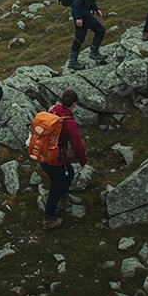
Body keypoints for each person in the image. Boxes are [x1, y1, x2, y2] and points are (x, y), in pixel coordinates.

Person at [40, 89, 88, 230]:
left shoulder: (54, 110)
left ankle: (63, 199)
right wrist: (83, 160)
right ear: (74, 104)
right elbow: (77, 145)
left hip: (43, 153)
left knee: (70, 172)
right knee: (55, 187)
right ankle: (48, 220)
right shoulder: (70, 123)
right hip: (55, 158)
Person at [69, 0, 107, 71]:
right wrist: (78, 17)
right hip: (83, 12)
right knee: (100, 30)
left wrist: (96, 9)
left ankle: (73, 61)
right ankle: (93, 53)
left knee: (80, 37)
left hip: (84, 11)